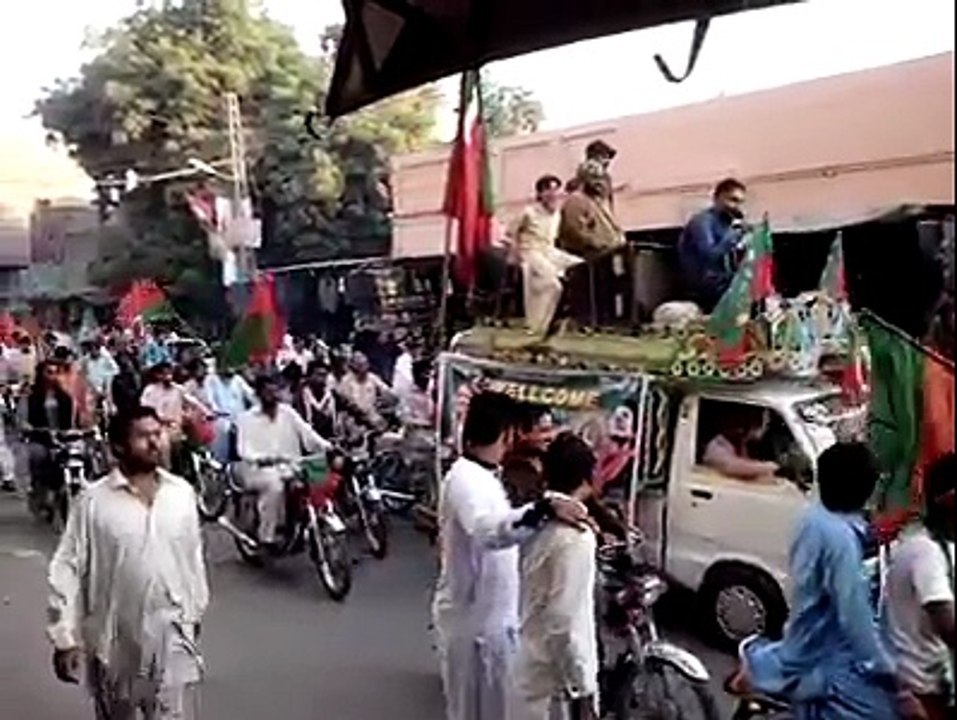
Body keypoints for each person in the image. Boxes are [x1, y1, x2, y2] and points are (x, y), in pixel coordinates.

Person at [432, 391, 592, 720]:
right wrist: (545, 509)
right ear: (506, 432)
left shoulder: (490, 477)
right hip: (473, 627)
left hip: (497, 625)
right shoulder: (466, 480)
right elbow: (488, 531)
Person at [47, 405, 209, 719]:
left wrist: (195, 610)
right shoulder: (93, 503)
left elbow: (192, 559)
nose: (154, 443)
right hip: (115, 641)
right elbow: (68, 567)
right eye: (143, 436)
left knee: (170, 714)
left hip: (171, 632)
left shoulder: (181, 495)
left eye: (157, 434)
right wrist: (64, 637)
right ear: (119, 446)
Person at [738, 442, 918, 720]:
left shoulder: (814, 518)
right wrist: (891, 674)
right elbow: (854, 617)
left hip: (809, 641)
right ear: (866, 488)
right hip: (828, 661)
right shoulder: (840, 540)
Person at [509, 432, 599, 720]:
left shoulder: (532, 517)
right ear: (588, 478)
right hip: (545, 680)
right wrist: (582, 686)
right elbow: (563, 622)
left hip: (520, 660)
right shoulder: (575, 536)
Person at [883, 452, 956, 720]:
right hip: (921, 689)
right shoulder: (925, 552)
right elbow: (948, 625)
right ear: (948, 500)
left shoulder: (944, 544)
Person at [235, 374, 332, 549]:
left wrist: (326, 446)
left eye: (275, 390)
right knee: (275, 485)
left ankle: (312, 520)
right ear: (259, 393)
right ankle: (267, 535)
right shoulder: (246, 419)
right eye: (268, 391)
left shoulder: (288, 412)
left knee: (320, 477)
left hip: (291, 464)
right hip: (259, 469)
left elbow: (307, 433)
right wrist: (261, 458)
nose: (272, 395)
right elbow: (244, 449)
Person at [508, 175, 584, 336]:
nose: (553, 195)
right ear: (541, 194)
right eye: (548, 190)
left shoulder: (557, 214)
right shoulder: (529, 213)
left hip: (549, 251)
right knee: (551, 284)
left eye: (556, 190)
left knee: (582, 267)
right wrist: (515, 253)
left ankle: (571, 319)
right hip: (531, 251)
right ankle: (538, 324)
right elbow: (511, 233)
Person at [677, 178, 749, 313]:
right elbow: (709, 255)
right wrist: (733, 235)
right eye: (732, 200)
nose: (736, 207)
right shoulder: (703, 221)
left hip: (721, 280)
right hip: (702, 282)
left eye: (740, 202)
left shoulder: (726, 223)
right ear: (717, 198)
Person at [24, 359, 76, 513]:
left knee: (80, 454)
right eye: (49, 372)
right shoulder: (32, 397)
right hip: (41, 437)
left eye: (56, 373)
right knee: (38, 454)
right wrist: (30, 428)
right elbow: (24, 419)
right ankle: (38, 486)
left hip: (63, 438)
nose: (52, 376)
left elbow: (72, 421)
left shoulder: (65, 397)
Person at [140, 361, 209, 472]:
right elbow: (145, 410)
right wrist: (162, 418)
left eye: (170, 373)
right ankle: (166, 471)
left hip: (177, 428)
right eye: (165, 374)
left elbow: (193, 402)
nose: (168, 376)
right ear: (158, 375)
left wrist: (206, 412)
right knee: (164, 444)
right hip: (158, 429)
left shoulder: (178, 389)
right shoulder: (149, 391)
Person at [703, 409, 780, 480]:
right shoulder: (717, 445)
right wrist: (766, 467)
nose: (740, 430)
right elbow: (732, 466)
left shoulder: (739, 445)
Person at [204, 363, 255, 463]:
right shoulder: (211, 380)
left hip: (239, 419)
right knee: (223, 431)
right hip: (221, 419)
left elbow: (251, 395)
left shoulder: (238, 380)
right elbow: (210, 402)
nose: (230, 369)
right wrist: (217, 412)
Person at [337, 351, 394, 424]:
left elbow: (388, 393)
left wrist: (384, 400)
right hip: (353, 419)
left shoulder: (372, 378)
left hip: (374, 416)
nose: (364, 367)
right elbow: (348, 403)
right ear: (353, 365)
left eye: (365, 364)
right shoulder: (346, 381)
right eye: (360, 364)